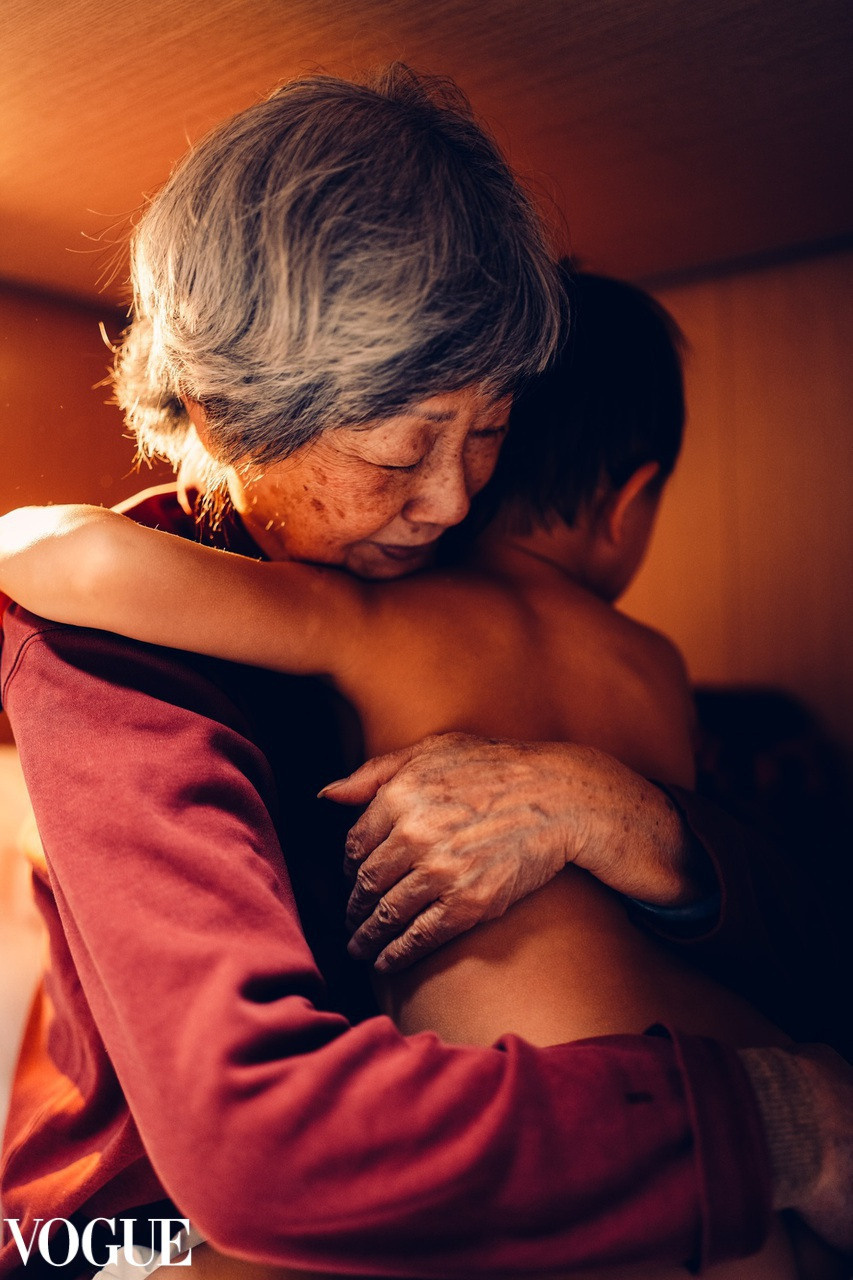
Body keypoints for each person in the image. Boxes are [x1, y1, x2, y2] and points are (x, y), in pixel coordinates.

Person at [0, 69, 850, 1280]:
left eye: (490, 431)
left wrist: (616, 813)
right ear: (222, 411)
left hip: (495, 1119)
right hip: (123, 1224)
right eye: (401, 449)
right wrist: (764, 1120)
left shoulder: (417, 580)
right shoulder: (116, 665)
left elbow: (810, 932)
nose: (452, 499)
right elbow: (257, 1154)